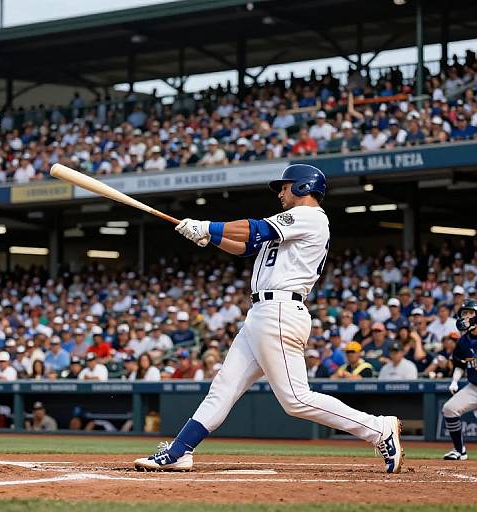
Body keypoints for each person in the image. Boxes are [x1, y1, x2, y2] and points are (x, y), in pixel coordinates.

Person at [134, 163, 403, 474]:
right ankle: (180, 450)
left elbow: (255, 229)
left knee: (296, 400)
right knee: (224, 387)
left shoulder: (309, 216)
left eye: (285, 186)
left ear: (303, 187)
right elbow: (247, 247)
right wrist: (208, 238)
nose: (280, 193)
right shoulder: (292, 222)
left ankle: (378, 429)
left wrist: (207, 226)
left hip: (279, 311)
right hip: (263, 314)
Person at [441, 300, 477, 461]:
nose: (466, 316)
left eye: (470, 313)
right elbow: (459, 365)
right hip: (474, 387)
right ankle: (459, 450)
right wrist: (455, 381)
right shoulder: (463, 341)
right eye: (464, 313)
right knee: (449, 409)